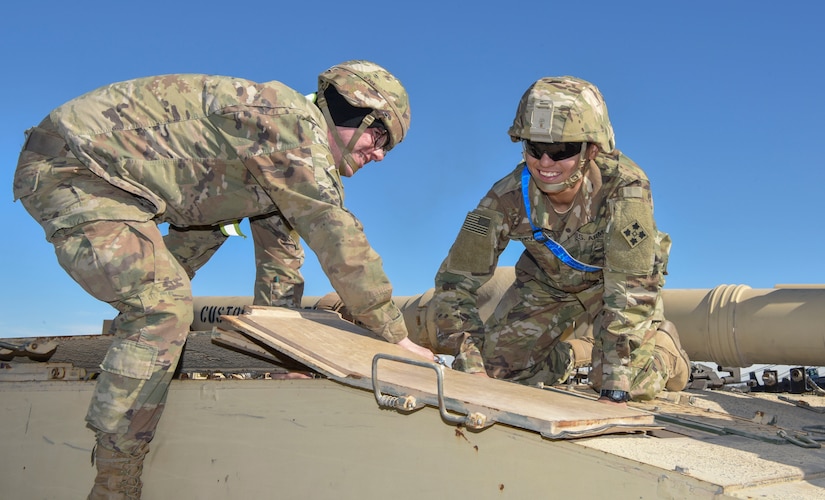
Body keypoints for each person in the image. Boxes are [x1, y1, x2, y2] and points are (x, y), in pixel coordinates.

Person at [12, 60, 433, 498]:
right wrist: (395, 337)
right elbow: (337, 236)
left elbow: (280, 268)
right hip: (72, 166)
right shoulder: (292, 127)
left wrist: (286, 360)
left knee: (159, 294)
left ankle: (130, 360)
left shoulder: (279, 160)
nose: (380, 153)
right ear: (352, 112)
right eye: (379, 135)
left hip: (119, 188)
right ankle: (116, 480)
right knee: (161, 305)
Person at [428, 76, 690, 406]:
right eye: (535, 149)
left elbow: (631, 287)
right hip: (547, 285)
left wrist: (615, 381)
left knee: (627, 384)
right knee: (494, 370)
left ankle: (667, 351)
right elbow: (454, 284)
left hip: (614, 285)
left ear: (592, 149)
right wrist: (471, 362)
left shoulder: (626, 187)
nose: (545, 163)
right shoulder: (504, 199)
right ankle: (568, 357)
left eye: (561, 150)